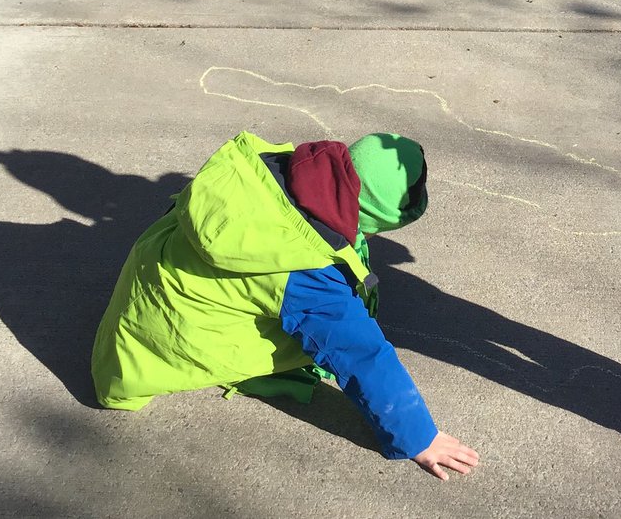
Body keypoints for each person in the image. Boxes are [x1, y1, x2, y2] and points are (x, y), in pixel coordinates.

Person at [91, 130, 479, 480]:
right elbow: (360, 353)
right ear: (384, 215)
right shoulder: (306, 271)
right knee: (327, 333)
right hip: (156, 347)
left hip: (154, 294)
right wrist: (418, 437)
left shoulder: (275, 166)